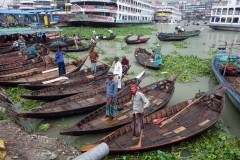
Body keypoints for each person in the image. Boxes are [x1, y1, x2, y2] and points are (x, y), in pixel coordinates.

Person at [130, 84, 149, 148]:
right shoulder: (133, 94)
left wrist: (143, 108)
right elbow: (133, 102)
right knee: (135, 124)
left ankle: (140, 143)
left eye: (133, 89)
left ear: (136, 89)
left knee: (141, 127)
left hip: (139, 113)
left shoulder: (140, 94)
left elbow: (148, 102)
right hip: (135, 112)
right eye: (131, 89)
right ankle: (136, 135)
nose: (132, 90)